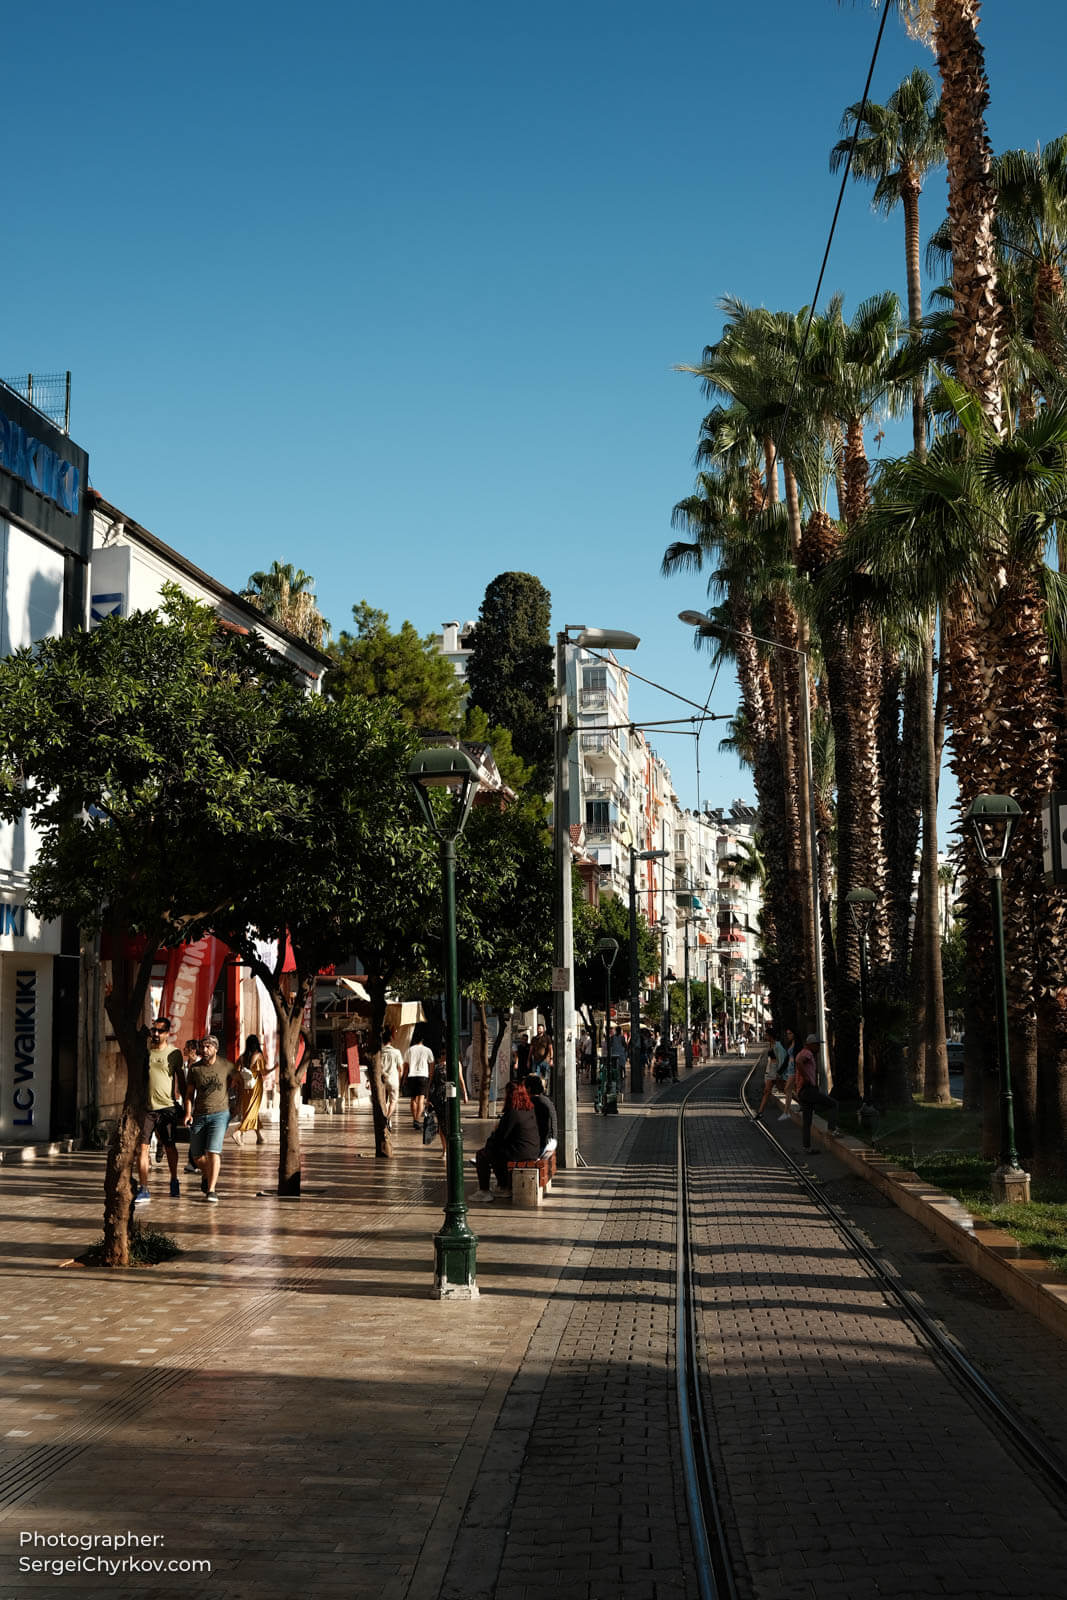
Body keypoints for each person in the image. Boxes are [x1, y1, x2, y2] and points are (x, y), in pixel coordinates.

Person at [134, 1017, 186, 1205]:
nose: (156, 1034)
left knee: (170, 1146)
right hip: (147, 1109)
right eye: (154, 1030)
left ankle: (174, 1180)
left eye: (160, 1031)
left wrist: (188, 1108)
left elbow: (182, 1080)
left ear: (167, 1033)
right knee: (143, 1148)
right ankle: (144, 1188)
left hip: (167, 1108)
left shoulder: (174, 1054)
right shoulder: (144, 1053)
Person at [183, 1034, 234, 1203]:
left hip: (220, 1114)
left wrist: (238, 1106)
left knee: (213, 1151)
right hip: (199, 1115)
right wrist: (188, 1113)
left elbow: (241, 1082)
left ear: (216, 1049)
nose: (204, 1050)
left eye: (208, 1047)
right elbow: (189, 1094)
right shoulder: (195, 1068)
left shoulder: (226, 1065)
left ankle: (211, 1190)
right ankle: (207, 1173)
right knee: (197, 1156)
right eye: (202, 1047)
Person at [472, 1080, 540, 1202]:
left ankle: (485, 1191)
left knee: (482, 1155)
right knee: (497, 1152)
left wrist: (491, 1139)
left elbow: (499, 1137)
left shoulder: (512, 1113)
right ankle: (503, 1185)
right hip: (531, 1151)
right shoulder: (528, 1110)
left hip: (519, 1153)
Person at [794, 1033, 839, 1152]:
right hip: (808, 1089)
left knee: (807, 1121)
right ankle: (832, 1130)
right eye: (817, 1045)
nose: (819, 1047)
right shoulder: (807, 1053)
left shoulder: (804, 1053)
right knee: (833, 1104)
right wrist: (807, 1077)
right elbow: (798, 1062)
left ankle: (807, 1147)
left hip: (802, 1091)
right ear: (811, 1045)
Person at [427, 1047, 469, 1158]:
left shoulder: (448, 1065)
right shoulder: (443, 1066)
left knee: (446, 1123)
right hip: (445, 1097)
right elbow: (431, 1083)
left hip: (445, 1097)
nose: (442, 1056)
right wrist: (465, 1093)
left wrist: (464, 1093)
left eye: (443, 1054)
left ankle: (447, 1149)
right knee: (445, 1123)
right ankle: (446, 1149)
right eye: (442, 1054)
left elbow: (460, 1079)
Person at [232, 1034, 268, 1146]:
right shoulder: (259, 1055)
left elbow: (235, 1070)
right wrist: (275, 1067)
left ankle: (260, 1137)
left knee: (251, 1110)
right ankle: (239, 1131)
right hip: (256, 1085)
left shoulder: (242, 1057)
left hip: (245, 1086)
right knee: (252, 1110)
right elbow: (263, 1072)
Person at [403, 1028, 435, 1128]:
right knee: (421, 1099)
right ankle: (417, 1119)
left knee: (413, 1099)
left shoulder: (409, 1050)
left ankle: (414, 1119)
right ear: (422, 1040)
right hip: (423, 1076)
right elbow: (431, 1064)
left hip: (412, 1076)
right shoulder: (427, 1050)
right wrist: (431, 1075)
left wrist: (404, 1077)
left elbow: (406, 1065)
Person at [757, 1025, 789, 1117]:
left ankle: (802, 1104)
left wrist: (780, 1074)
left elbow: (782, 1060)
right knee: (767, 1091)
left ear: (771, 1036)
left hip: (776, 1071)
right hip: (771, 1071)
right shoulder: (771, 1045)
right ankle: (760, 1112)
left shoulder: (778, 1046)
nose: (765, 1036)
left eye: (766, 1035)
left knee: (785, 1089)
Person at [525, 1073, 557, 1157]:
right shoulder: (546, 1100)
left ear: (528, 1089)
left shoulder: (534, 1103)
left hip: (542, 1147)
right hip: (551, 1143)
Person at [778, 1026, 798, 1122]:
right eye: (787, 1034)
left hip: (795, 1070)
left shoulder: (798, 1045)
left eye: (790, 1033)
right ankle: (787, 1112)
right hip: (790, 1069)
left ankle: (786, 1113)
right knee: (792, 1089)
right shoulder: (790, 1044)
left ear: (794, 1034)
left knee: (787, 1089)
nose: (788, 1035)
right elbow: (786, 1059)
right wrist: (780, 1071)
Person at [529, 1022, 553, 1091]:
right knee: (536, 1077)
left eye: (540, 1028)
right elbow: (531, 1050)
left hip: (545, 1061)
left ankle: (546, 1091)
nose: (539, 1030)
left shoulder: (547, 1038)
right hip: (536, 1060)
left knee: (546, 1077)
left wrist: (551, 1059)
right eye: (538, 1028)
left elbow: (550, 1048)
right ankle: (538, 1091)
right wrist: (529, 1059)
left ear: (543, 1029)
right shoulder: (534, 1038)